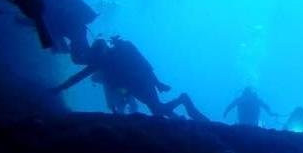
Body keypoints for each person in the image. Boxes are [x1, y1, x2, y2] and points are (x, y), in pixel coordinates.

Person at [52, 37, 208, 121]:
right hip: (135, 86)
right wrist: (60, 88)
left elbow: (143, 63)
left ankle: (182, 100)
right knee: (157, 110)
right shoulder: (101, 60)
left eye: (100, 52)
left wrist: (157, 82)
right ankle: (179, 116)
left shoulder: (121, 52)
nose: (100, 56)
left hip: (142, 82)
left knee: (157, 110)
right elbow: (79, 76)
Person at [41, 0, 98, 65]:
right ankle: (95, 58)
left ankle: (95, 58)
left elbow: (49, 23)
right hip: (73, 28)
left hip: (73, 27)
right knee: (78, 55)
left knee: (78, 56)